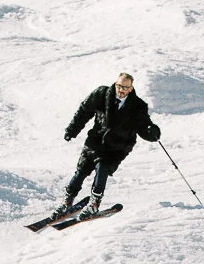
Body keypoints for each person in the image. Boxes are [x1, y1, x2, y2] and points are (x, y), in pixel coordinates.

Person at [53, 73, 160, 218]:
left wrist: (151, 132)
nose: (121, 90)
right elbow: (84, 111)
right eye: (119, 86)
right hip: (95, 141)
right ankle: (67, 201)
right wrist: (72, 130)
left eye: (125, 87)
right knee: (81, 171)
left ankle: (94, 204)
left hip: (117, 147)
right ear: (115, 84)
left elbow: (143, 127)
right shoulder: (101, 94)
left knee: (102, 169)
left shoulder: (138, 106)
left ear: (131, 88)